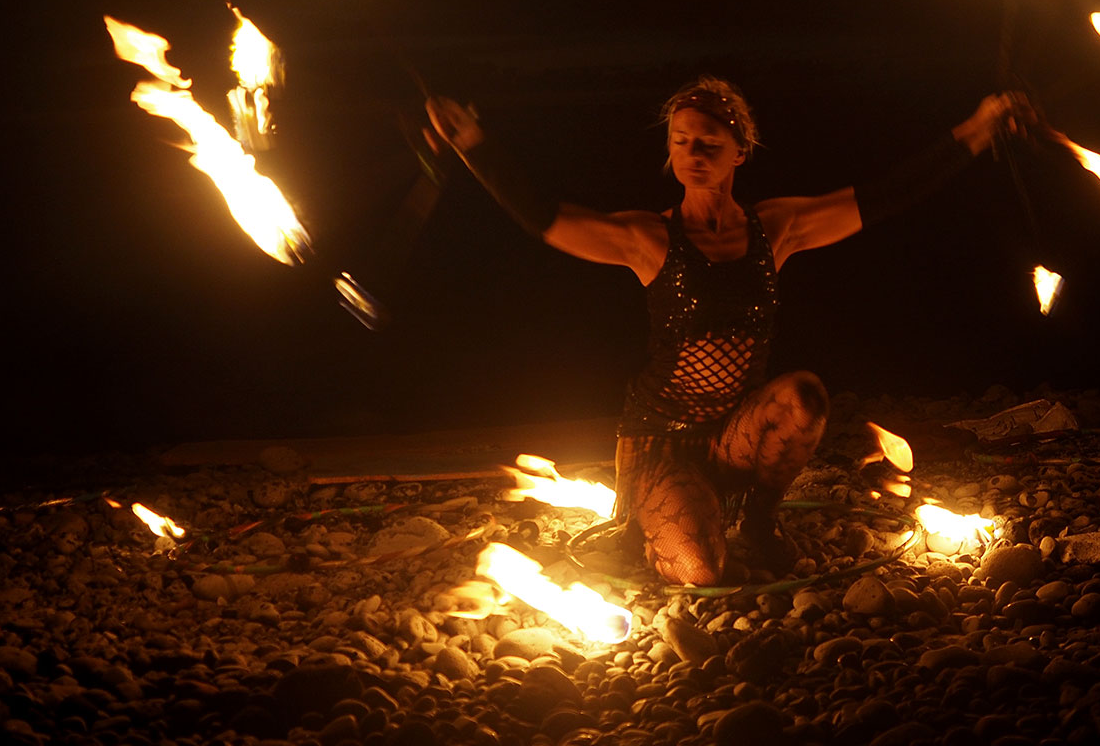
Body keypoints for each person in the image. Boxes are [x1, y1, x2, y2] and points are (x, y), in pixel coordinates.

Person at [425, 78, 1035, 585]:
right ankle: (661, 517)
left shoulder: (779, 228)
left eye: (710, 142)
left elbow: (885, 196)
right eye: (682, 141)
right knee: (701, 573)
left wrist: (978, 130)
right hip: (660, 441)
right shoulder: (648, 238)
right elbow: (544, 218)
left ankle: (760, 520)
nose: (695, 153)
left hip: (736, 434)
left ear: (740, 150)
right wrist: (473, 144)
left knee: (804, 398)